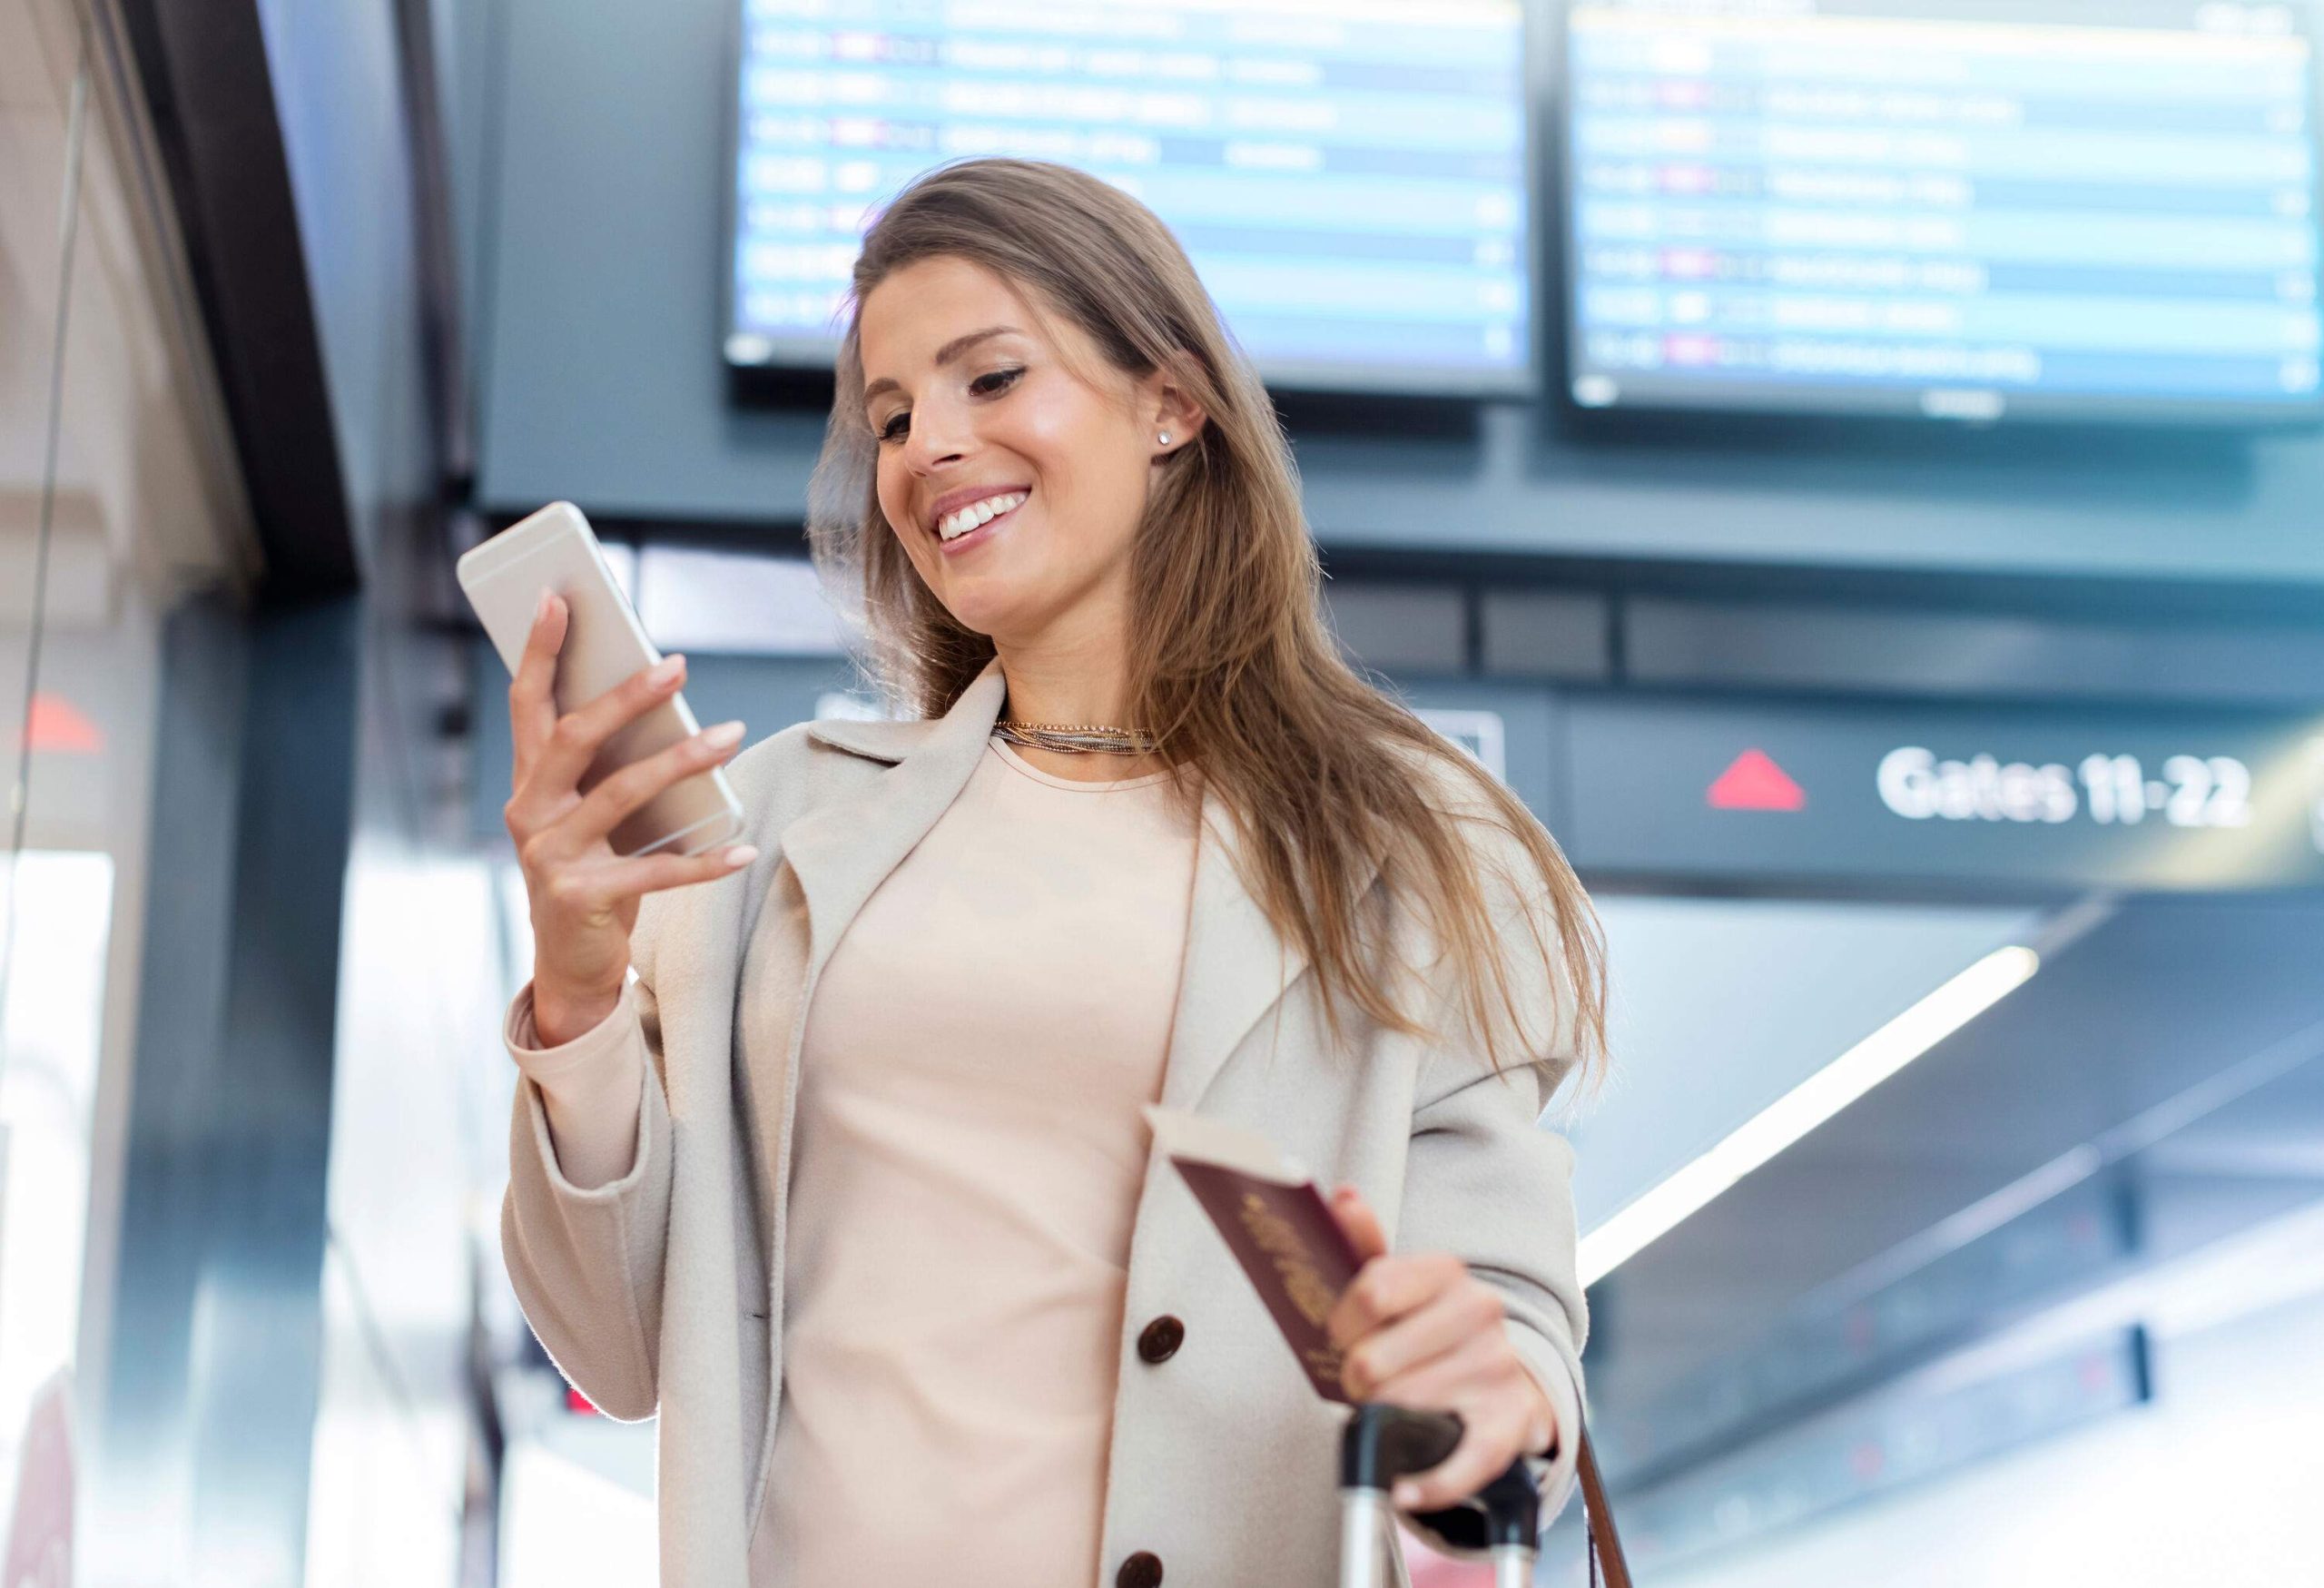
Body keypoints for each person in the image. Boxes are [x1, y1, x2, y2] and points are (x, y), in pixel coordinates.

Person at [496, 156, 1608, 1588]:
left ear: (1172, 402)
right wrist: (579, 1001)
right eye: (891, 416)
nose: (926, 448)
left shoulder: (1401, 844)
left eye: (991, 378)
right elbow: (618, 1342)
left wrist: (1486, 1404)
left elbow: (1507, 1331)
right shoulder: (767, 831)